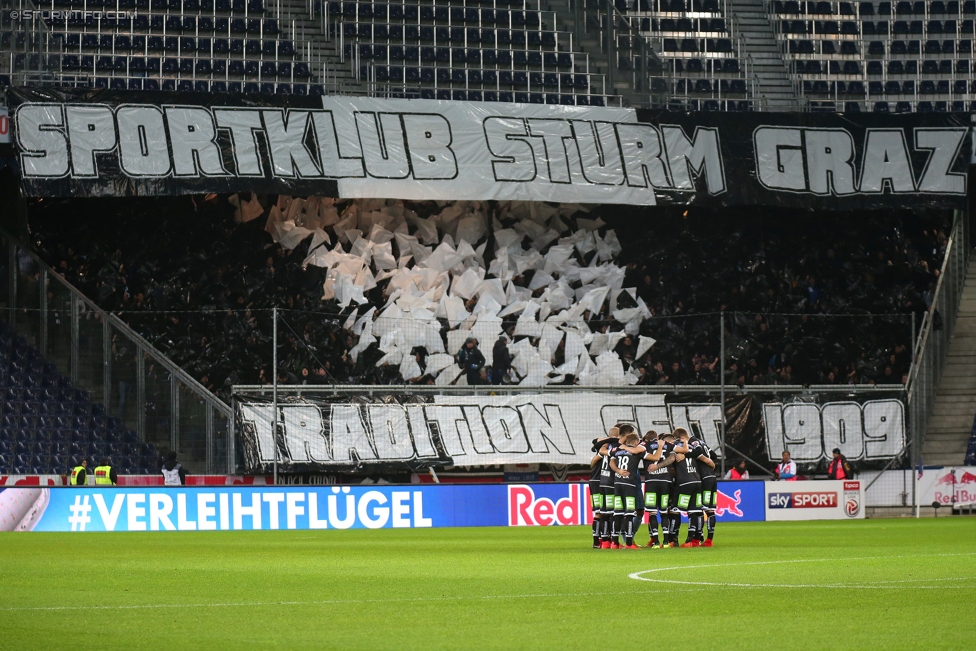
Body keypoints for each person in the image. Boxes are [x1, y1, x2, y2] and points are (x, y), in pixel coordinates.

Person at [608, 430, 646, 549]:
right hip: (629, 484)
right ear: (635, 442)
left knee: (618, 514)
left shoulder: (616, 449)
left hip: (617, 483)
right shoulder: (637, 451)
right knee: (629, 514)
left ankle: (614, 543)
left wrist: (618, 471)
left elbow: (611, 462)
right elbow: (641, 451)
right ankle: (629, 543)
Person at [641, 431, 672, 548]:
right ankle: (666, 542)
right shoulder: (667, 445)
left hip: (651, 483)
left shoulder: (644, 446)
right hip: (665, 482)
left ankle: (656, 542)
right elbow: (675, 455)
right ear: (657, 437)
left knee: (652, 513)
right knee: (664, 512)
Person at [588, 433, 616, 549]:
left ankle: (600, 540)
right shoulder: (607, 449)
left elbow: (592, 463)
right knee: (603, 512)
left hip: (597, 481)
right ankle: (600, 539)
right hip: (600, 482)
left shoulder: (604, 449)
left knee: (602, 512)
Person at [597, 426, 622, 548]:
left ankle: (605, 541)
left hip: (602, 482)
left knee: (604, 513)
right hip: (612, 482)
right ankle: (613, 541)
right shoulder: (617, 447)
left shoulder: (604, 446)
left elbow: (599, 450)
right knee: (613, 513)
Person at [691, 435, 718, 547]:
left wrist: (705, 461)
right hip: (712, 477)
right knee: (710, 510)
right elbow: (714, 455)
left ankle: (697, 540)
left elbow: (697, 454)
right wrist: (710, 462)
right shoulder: (702, 443)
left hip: (703, 479)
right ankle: (709, 540)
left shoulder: (692, 443)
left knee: (699, 509)